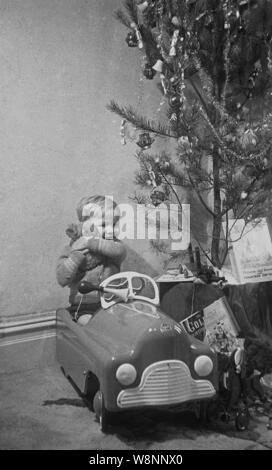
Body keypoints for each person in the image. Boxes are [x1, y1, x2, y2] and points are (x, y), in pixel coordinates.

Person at [56, 195, 126, 324]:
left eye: (114, 224)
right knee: (89, 323)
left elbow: (119, 251)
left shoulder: (114, 245)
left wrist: (90, 242)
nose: (110, 230)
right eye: (104, 225)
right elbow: (61, 279)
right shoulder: (72, 249)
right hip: (83, 306)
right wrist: (76, 255)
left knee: (122, 324)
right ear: (83, 225)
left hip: (113, 303)